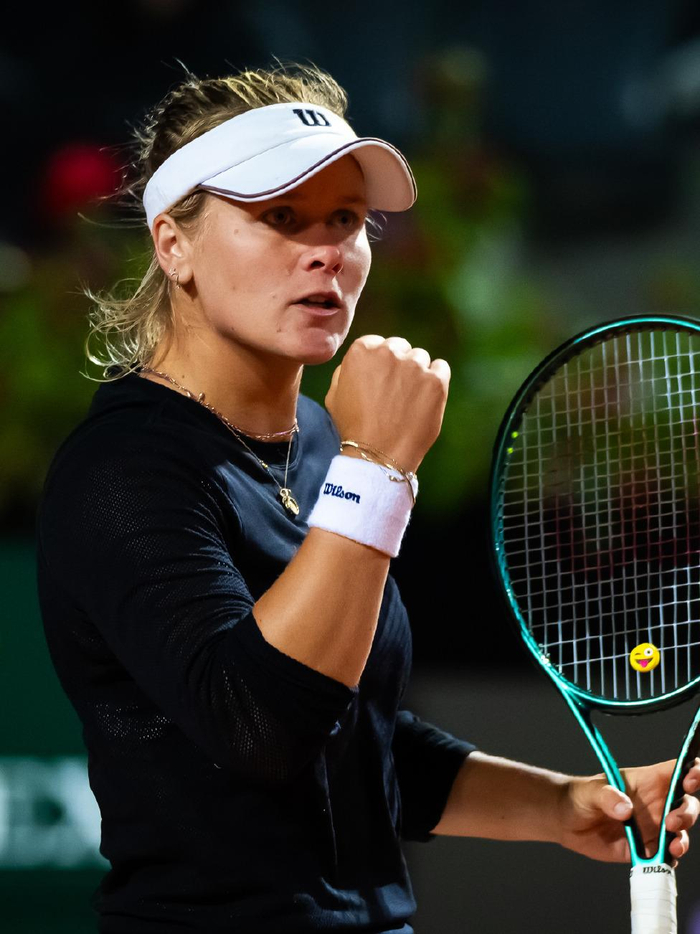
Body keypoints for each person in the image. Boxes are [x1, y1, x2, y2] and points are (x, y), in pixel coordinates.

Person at [35, 62, 700, 934]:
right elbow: (262, 729)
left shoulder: (325, 443)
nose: (325, 250)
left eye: (346, 219)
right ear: (173, 244)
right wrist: (377, 469)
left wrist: (559, 805)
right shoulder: (120, 471)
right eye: (281, 217)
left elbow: (352, 736)